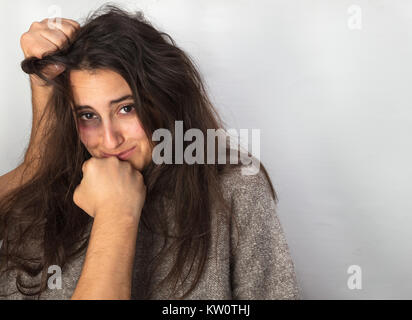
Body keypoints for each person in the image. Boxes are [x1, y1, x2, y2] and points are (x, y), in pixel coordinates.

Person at [0, 4, 300, 300]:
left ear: (165, 99)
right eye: (87, 115)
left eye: (126, 109)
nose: (110, 139)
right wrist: (113, 212)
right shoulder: (42, 204)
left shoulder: (236, 190)